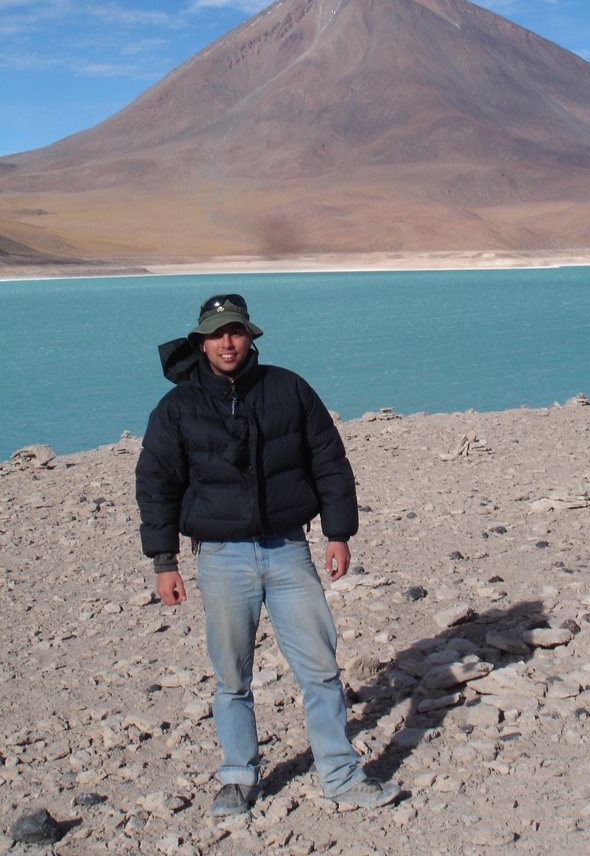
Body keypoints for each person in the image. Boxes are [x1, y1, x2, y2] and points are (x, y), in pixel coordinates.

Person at [136, 293, 399, 817]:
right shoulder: (178, 407)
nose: (226, 342)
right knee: (231, 677)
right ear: (201, 342)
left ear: (250, 335)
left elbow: (329, 460)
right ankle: (238, 777)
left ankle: (340, 774)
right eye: (215, 334)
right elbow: (157, 484)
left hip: (287, 551)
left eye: (235, 331)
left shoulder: (288, 389)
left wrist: (338, 532)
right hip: (220, 557)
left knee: (320, 668)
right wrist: (163, 562)